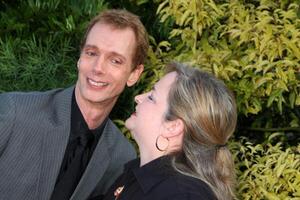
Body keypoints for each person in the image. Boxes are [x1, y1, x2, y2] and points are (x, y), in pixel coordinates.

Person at [0, 9, 149, 200]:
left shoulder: (122, 157)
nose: (98, 68)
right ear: (80, 58)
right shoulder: (13, 112)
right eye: (91, 53)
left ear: (134, 74)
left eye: (115, 60)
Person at [103, 62, 237, 200]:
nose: (138, 98)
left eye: (151, 97)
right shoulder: (138, 176)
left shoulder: (181, 195)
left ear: (172, 127)